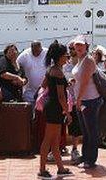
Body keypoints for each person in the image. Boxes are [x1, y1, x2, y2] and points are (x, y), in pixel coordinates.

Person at [37, 42, 72, 179]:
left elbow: (43, 84)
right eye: (65, 55)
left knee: (54, 140)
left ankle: (60, 168)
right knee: (49, 140)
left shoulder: (51, 70)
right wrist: (67, 112)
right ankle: (42, 169)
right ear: (59, 57)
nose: (67, 58)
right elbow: (61, 96)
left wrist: (64, 84)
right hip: (55, 108)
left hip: (50, 106)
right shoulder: (58, 72)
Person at [70, 38, 100, 169]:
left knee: (91, 130)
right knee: (86, 131)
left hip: (89, 100)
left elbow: (85, 82)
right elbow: (80, 78)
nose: (78, 47)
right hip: (83, 99)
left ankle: (91, 159)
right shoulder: (81, 60)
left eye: (81, 45)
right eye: (76, 45)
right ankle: (86, 156)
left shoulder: (88, 60)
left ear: (86, 46)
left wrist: (79, 99)